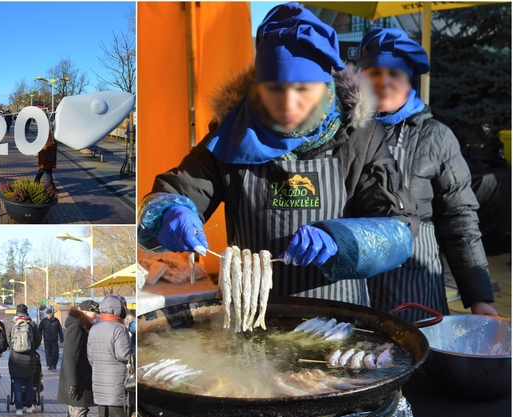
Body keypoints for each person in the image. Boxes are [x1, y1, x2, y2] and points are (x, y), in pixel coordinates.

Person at [138, 3, 419, 306]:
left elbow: (399, 228)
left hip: (338, 315)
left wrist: (343, 239)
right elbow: (182, 187)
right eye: (274, 88)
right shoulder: (232, 134)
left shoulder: (359, 137)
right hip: (247, 307)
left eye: (302, 88)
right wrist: (171, 211)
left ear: (326, 87)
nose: (287, 103)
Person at [356, 28, 499, 322]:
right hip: (357, 286)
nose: (383, 82)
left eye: (394, 73)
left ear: (409, 80)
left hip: (416, 286)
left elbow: (459, 219)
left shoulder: (436, 137)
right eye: (374, 72)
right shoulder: (346, 133)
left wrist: (479, 296)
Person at [87, 295, 132, 417]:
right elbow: (123, 355)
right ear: (118, 310)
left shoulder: (94, 328)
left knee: (103, 413)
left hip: (99, 378)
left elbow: (90, 357)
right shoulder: (119, 329)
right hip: (116, 379)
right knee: (115, 415)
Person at [57, 300, 100, 417]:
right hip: (77, 376)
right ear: (87, 312)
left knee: (79, 408)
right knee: (79, 408)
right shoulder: (76, 326)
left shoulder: (80, 325)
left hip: (79, 375)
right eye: (95, 313)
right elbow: (71, 355)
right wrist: (73, 382)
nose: (96, 316)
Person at [7, 304, 41, 417]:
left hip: (15, 358)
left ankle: (18, 408)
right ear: (26, 312)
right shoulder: (31, 323)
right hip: (29, 358)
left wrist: (13, 348)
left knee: (17, 383)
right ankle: (29, 406)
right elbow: (37, 339)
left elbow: (8, 339)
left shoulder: (12, 324)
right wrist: (31, 349)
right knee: (29, 383)